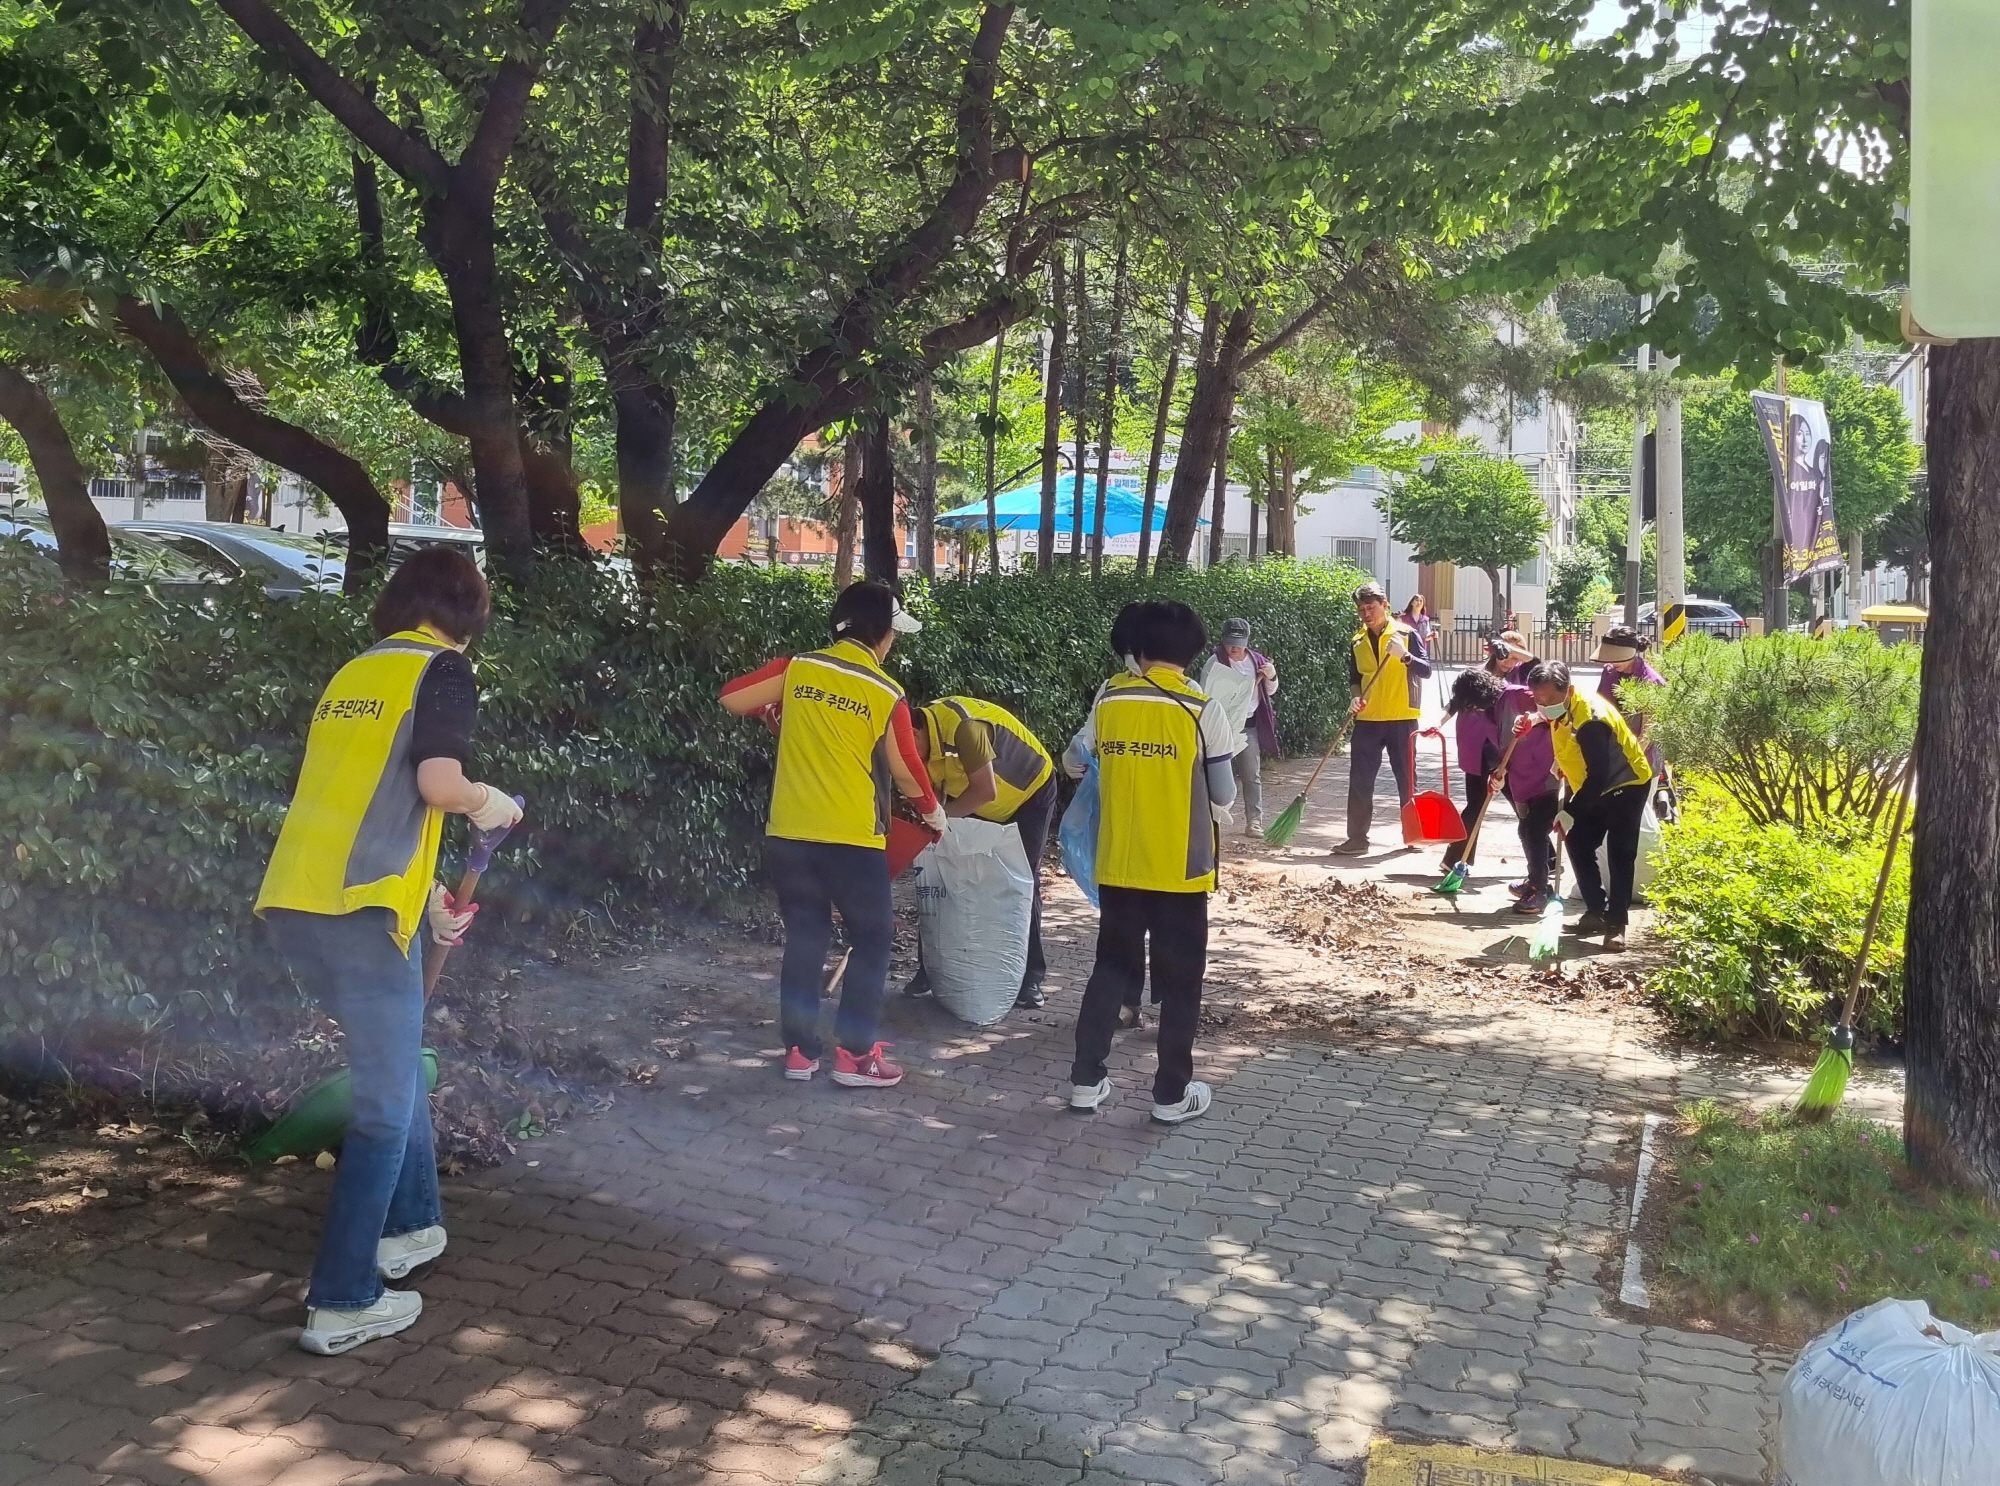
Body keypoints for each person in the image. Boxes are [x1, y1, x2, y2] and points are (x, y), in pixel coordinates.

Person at [254, 547, 524, 1356]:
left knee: (398, 1067)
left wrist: (426, 898)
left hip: (303, 900)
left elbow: (365, 802)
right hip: (360, 912)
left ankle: (409, 1225)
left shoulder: (356, 673)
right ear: (470, 612)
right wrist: (489, 802)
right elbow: (439, 785)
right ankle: (342, 1300)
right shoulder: (441, 668)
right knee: (382, 1107)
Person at [720, 582, 946, 1089]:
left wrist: (778, 711)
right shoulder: (885, 691)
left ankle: (800, 1053)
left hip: (790, 834)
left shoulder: (797, 669)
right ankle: (856, 1056)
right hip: (851, 838)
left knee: (806, 936)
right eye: (892, 633)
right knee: (872, 939)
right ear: (881, 634)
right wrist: (933, 814)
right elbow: (906, 769)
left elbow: (733, 698)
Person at [1063, 600, 1239, 1124]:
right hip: (1181, 870)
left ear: (1139, 648)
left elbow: (1073, 762)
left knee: (1110, 970)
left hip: (1118, 861)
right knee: (1182, 981)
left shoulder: (1111, 699)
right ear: (1192, 652)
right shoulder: (1201, 708)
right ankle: (1169, 1095)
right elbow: (1225, 795)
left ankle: (1085, 1081)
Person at [902, 696, 1057, 1008]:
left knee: (1022, 882)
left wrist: (940, 820)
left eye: (907, 754)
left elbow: (986, 791)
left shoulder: (965, 729)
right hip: (972, 796)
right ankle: (929, 971)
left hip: (1029, 795)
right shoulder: (921, 741)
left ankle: (1030, 978)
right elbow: (933, 795)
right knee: (945, 874)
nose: (906, 762)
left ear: (915, 734)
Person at [1516, 659, 1653, 951]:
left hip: (1625, 785)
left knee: (1620, 853)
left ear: (1570, 690)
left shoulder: (1590, 720)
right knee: (1578, 841)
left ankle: (1616, 925)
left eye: (1551, 699)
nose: (1545, 704)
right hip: (1592, 786)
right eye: (1538, 699)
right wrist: (1556, 753)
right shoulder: (1563, 708)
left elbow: (1600, 774)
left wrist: (1570, 811)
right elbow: (1560, 727)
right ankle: (1595, 912)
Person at [1335, 581, 1432, 855]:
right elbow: (1355, 678)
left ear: (1385, 606)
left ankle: (1413, 835)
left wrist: (1406, 656)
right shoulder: (1357, 641)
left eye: (1371, 607)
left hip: (1402, 718)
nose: (1366, 613)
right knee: (1360, 781)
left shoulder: (1407, 633)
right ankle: (1356, 839)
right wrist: (1355, 697)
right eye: (1362, 609)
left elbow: (1426, 670)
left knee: (1407, 780)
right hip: (1367, 720)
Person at [1196, 618, 1280, 837]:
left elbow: (1269, 691)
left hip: (1248, 725)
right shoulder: (1215, 662)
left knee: (1251, 774)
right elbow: (1204, 694)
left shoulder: (1257, 662)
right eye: (1230, 642)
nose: (1234, 647)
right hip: (1219, 726)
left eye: (1239, 642)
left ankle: (1254, 821)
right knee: (1214, 771)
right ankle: (1208, 818)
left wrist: (1271, 675)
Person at [1432, 667, 1505, 874]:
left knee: (1522, 805)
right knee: (1476, 804)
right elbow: (1453, 704)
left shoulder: (1509, 687)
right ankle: (1455, 857)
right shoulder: (1472, 682)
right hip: (1475, 751)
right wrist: (1436, 724)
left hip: (1504, 752)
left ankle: (1548, 856)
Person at [1595, 625, 1666, 777]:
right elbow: (1600, 706)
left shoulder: (1651, 681)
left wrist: (1632, 757)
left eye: (1617, 657)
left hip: (1642, 755)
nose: (1613, 662)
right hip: (1613, 751)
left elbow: (1649, 730)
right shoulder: (1609, 671)